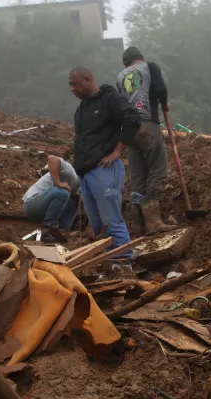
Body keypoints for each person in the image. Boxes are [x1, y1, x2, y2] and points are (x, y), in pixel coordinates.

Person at [69, 66, 140, 257]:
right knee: (98, 227)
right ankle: (109, 265)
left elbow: (132, 117)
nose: (71, 89)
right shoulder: (81, 110)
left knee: (111, 222)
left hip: (104, 170)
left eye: (74, 84)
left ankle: (123, 263)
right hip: (86, 174)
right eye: (70, 85)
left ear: (88, 79)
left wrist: (118, 151)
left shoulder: (110, 99)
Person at [116, 46, 173, 234]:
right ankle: (153, 222)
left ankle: (139, 223)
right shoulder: (149, 66)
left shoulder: (120, 76)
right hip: (148, 122)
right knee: (157, 168)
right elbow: (160, 88)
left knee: (138, 173)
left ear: (126, 63)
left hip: (129, 129)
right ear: (140, 58)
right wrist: (164, 104)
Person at [23, 153, 80, 242]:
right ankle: (49, 228)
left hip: (42, 209)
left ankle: (63, 232)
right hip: (31, 205)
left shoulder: (78, 191)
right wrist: (58, 182)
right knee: (63, 193)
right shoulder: (71, 174)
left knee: (75, 200)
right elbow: (51, 158)